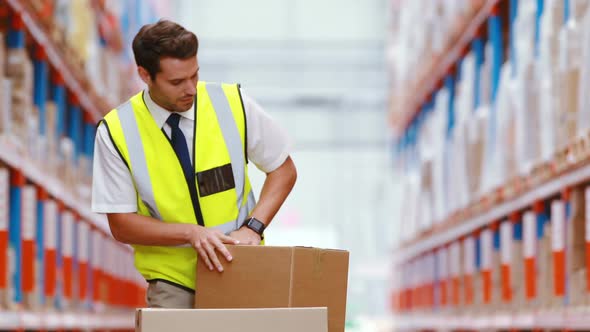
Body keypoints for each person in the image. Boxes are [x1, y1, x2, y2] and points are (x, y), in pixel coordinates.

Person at [91, 19, 297, 308]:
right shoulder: (115, 132)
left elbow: (283, 169)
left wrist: (253, 227)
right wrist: (190, 233)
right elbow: (122, 224)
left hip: (241, 267)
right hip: (172, 281)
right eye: (176, 82)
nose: (191, 89)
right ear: (144, 75)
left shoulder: (233, 103)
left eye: (194, 75)